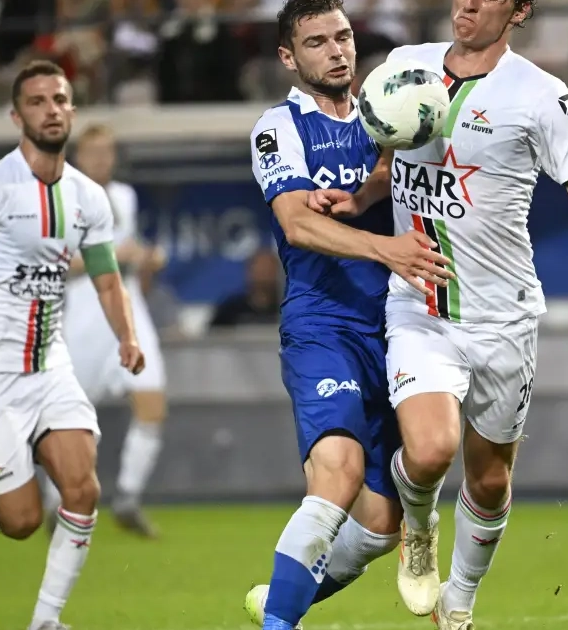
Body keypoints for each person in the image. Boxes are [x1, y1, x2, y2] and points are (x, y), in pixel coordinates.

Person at [309, 1, 568, 626]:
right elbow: (391, 159)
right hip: (421, 304)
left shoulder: (541, 96)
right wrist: (359, 199)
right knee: (430, 451)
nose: (465, 3)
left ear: (518, 10)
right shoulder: (406, 64)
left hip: (503, 319)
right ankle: (419, 526)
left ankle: (459, 602)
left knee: (490, 481)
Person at [239, 1, 455, 629]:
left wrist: (370, 189)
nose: (336, 51)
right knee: (337, 473)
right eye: (316, 42)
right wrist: (385, 248)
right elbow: (297, 223)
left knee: (381, 525)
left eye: (342, 37)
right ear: (288, 57)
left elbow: (405, 173)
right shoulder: (278, 127)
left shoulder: (387, 110)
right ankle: (281, 622)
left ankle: (278, 599)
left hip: (400, 327)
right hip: (324, 323)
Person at [0, 60, 144, 630]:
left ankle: (45, 622)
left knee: (83, 488)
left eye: (59, 99)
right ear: (17, 117)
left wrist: (128, 336)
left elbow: (106, 277)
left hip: (48, 365)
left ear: (72, 109)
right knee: (21, 521)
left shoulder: (89, 197)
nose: (51, 110)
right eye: (37, 102)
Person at [59, 123, 169, 538]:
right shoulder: (62, 197)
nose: (102, 159)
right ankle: (56, 502)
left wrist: (145, 258)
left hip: (129, 311)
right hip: (85, 317)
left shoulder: (125, 195)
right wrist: (113, 256)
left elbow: (128, 249)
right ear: (78, 158)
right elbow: (56, 263)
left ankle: (127, 497)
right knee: (69, 420)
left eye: (108, 152)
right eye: (94, 152)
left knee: (152, 401)